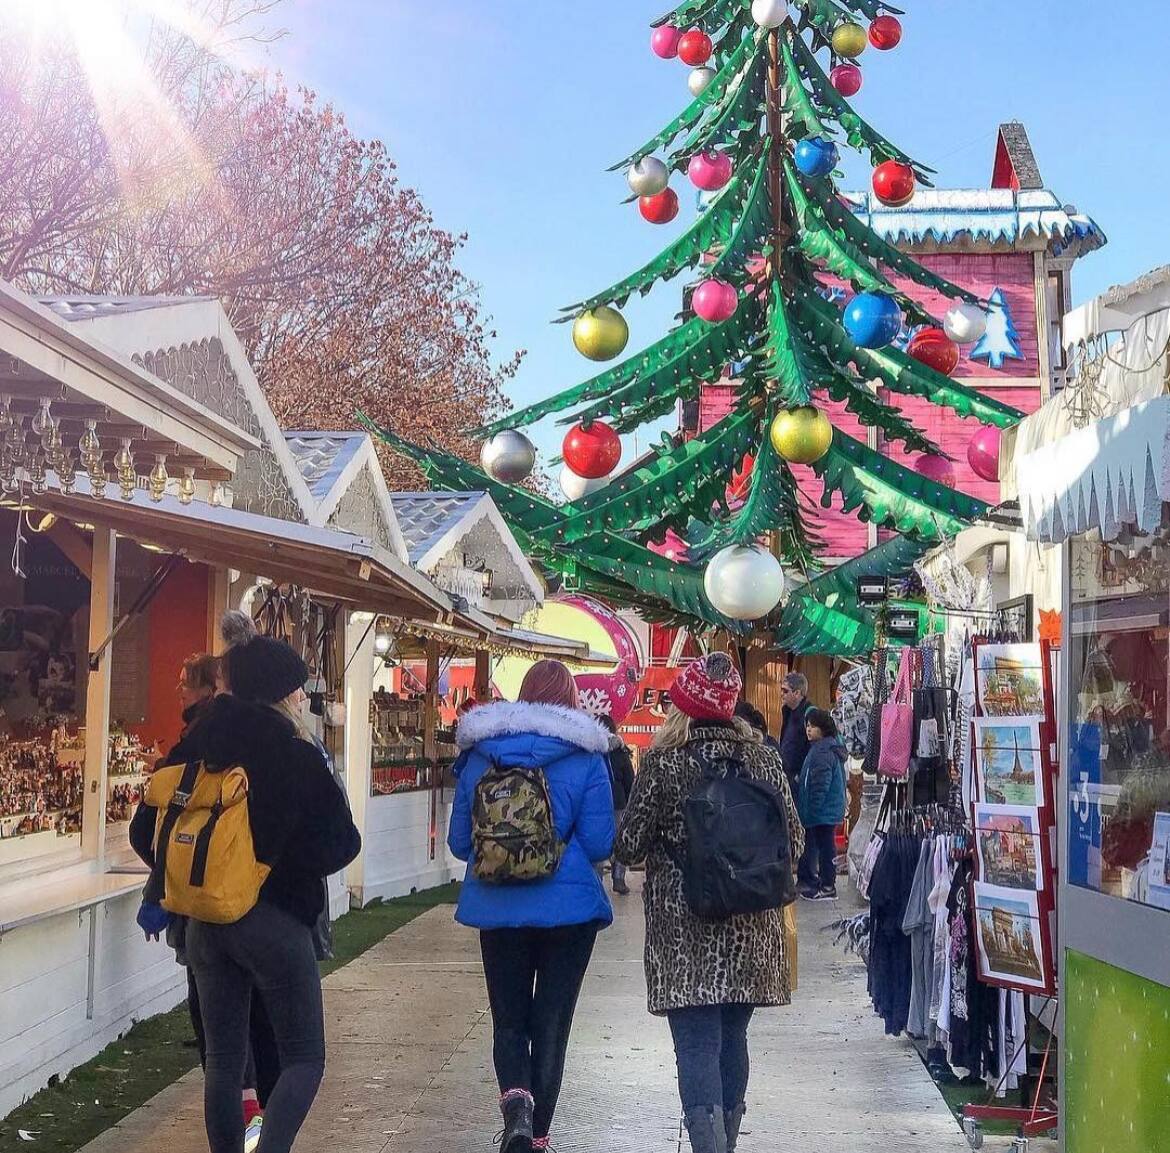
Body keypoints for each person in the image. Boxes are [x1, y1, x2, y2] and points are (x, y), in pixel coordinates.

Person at [130, 634, 361, 1153]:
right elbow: (342, 842)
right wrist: (275, 867)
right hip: (275, 921)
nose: (303, 699)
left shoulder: (194, 744)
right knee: (304, 1057)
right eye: (298, 691)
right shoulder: (295, 752)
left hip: (206, 924)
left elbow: (146, 831)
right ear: (281, 693)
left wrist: (201, 874)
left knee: (224, 1062)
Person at [615, 653, 804, 1153]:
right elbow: (796, 842)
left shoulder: (663, 763)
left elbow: (630, 845)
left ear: (683, 707)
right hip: (752, 930)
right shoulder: (763, 758)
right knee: (732, 1038)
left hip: (685, 934)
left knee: (697, 1043)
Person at [448, 660, 614, 1153]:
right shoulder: (586, 755)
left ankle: (516, 1106)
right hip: (570, 914)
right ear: (572, 701)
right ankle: (537, 1138)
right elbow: (601, 841)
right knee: (551, 1024)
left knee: (509, 1021)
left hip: (498, 909)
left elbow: (461, 842)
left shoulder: (479, 754)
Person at [796, 708, 847, 901]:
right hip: (826, 810)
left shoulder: (822, 751)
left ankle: (827, 886)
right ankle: (825, 882)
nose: (809, 730)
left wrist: (813, 810)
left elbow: (819, 784)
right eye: (807, 726)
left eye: (813, 726)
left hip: (822, 812)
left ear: (823, 728)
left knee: (826, 848)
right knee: (825, 846)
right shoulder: (821, 748)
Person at [598, 713, 635, 896]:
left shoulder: (591, 750)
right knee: (619, 840)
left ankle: (596, 878)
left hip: (596, 802)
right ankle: (618, 878)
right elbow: (629, 778)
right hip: (618, 801)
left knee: (596, 838)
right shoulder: (620, 751)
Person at [778, 672, 814, 793]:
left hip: (800, 781)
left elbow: (815, 750)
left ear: (797, 693)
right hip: (787, 777)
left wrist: (799, 777)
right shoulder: (788, 712)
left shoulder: (810, 715)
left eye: (785, 691)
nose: (781, 694)